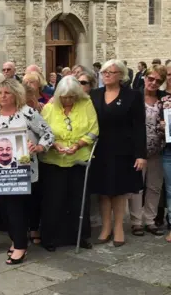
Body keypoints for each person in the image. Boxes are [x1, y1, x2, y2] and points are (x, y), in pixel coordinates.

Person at [0, 78, 54, 263]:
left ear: (16, 94)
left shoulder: (28, 113)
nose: (2, 96)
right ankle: (16, 239)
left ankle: (20, 247)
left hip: (23, 170)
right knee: (3, 209)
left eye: (7, 93)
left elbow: (48, 133)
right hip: (0, 172)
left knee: (16, 207)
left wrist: (39, 147)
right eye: (0, 93)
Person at [89, 59, 146, 247]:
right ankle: (106, 227)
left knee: (119, 190)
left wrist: (141, 154)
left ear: (120, 75)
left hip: (124, 150)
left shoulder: (133, 96)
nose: (106, 75)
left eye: (111, 72)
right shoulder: (94, 95)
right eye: (104, 72)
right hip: (100, 149)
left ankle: (119, 227)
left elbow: (139, 126)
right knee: (104, 190)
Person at [40, 76, 98, 251]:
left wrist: (78, 144)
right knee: (54, 200)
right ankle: (51, 238)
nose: (68, 100)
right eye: (64, 97)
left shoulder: (86, 105)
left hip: (78, 159)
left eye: (72, 97)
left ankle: (80, 236)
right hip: (54, 161)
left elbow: (94, 130)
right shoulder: (49, 108)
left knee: (79, 200)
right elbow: (42, 131)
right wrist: (53, 144)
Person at [128, 65, 167, 236]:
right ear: (145, 77)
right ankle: (136, 221)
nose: (153, 83)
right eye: (151, 78)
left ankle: (150, 220)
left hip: (158, 149)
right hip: (137, 149)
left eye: (158, 81)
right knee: (137, 186)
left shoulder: (164, 99)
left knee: (154, 186)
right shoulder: (133, 96)